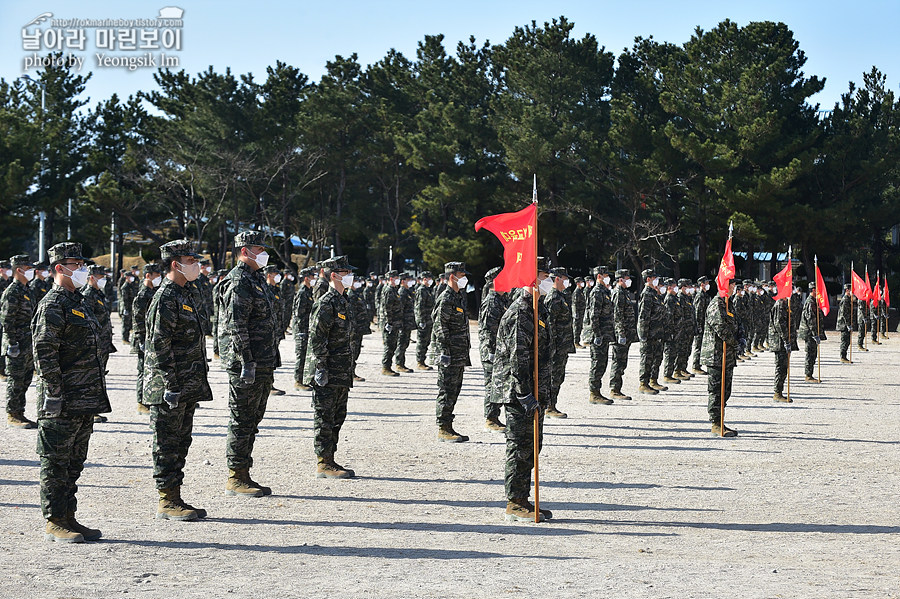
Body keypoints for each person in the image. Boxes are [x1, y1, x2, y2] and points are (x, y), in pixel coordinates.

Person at [33, 242, 111, 542]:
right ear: (59, 268)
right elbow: (44, 351)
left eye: (81, 263)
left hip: (84, 398)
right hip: (61, 400)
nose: (81, 269)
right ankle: (54, 520)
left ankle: (69, 516)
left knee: (74, 462)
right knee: (55, 462)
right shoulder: (52, 305)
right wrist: (53, 391)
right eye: (74, 264)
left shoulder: (78, 302)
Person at [143, 240, 212, 521]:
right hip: (169, 386)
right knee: (167, 443)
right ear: (176, 264)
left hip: (187, 383)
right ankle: (166, 500)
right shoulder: (166, 297)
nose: (197, 264)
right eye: (190, 259)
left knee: (181, 441)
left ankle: (175, 496)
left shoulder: (186, 293)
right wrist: (171, 384)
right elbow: (159, 344)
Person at [492, 256, 554, 522]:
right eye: (543, 276)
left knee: (531, 445)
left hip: (531, 391)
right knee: (520, 446)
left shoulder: (537, 309)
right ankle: (514, 502)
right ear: (532, 278)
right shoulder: (521, 311)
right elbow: (518, 357)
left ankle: (523, 497)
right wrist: (525, 393)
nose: (548, 281)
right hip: (519, 393)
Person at [218, 231, 280, 497]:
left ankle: (244, 472)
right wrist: (247, 362)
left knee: (252, 420)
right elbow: (236, 325)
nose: (264, 253)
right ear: (245, 251)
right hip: (248, 364)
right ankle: (236, 477)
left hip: (262, 361)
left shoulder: (255, 279)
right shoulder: (238, 282)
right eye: (259, 248)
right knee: (242, 420)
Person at [303, 255, 357, 478]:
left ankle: (331, 458)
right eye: (346, 273)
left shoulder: (343, 300)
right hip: (327, 370)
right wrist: (321, 368)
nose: (350, 277)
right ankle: (323, 462)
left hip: (341, 369)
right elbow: (317, 338)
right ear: (334, 275)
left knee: (337, 415)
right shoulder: (326, 303)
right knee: (324, 417)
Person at [432, 262, 472, 442]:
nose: (465, 279)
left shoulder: (458, 297)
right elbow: (440, 327)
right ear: (452, 277)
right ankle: (443, 428)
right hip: (449, 355)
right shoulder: (446, 298)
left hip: (459, 353)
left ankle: (448, 425)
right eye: (461, 276)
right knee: (446, 391)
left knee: (454, 390)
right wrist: (444, 352)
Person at [2, 255, 37, 428]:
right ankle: (12, 414)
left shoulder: (27, 290)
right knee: (15, 380)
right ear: (19, 270)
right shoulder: (12, 292)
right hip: (17, 344)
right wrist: (12, 344)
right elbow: (7, 321)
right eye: (28, 268)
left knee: (25, 380)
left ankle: (20, 412)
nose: (31, 271)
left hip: (28, 343)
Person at [701, 276, 739, 437]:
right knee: (717, 391)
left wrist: (741, 337)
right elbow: (721, 328)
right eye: (732, 284)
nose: (734, 287)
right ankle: (716, 424)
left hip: (727, 355)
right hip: (716, 355)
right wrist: (735, 342)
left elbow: (736, 324)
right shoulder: (716, 304)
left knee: (726, 390)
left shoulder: (728, 303)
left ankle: (721, 421)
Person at [131, 263, 162, 414]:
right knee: (143, 370)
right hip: (144, 339)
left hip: (151, 339)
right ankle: (141, 402)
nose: (159, 278)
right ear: (148, 275)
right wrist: (141, 340)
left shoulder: (154, 292)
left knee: (151, 370)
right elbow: (137, 320)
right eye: (157, 275)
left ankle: (148, 399)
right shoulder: (142, 296)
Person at [478, 267, 506, 431]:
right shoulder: (491, 302)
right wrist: (491, 352)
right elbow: (487, 330)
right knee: (492, 384)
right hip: (491, 351)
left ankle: (494, 416)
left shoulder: (501, 300)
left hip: (499, 349)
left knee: (498, 384)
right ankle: (490, 418)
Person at [544, 267, 574, 418]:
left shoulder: (560, 296)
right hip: (556, 347)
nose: (567, 281)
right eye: (564, 278)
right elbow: (550, 325)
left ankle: (552, 404)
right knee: (553, 377)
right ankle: (549, 406)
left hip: (562, 346)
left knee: (558, 376)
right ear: (557, 279)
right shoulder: (553, 297)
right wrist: (552, 347)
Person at [585, 266, 615, 404]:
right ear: (599, 276)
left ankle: (597, 392)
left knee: (602, 363)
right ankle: (594, 393)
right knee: (597, 364)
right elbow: (594, 315)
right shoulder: (597, 292)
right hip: (599, 335)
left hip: (605, 334)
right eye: (606, 274)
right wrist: (596, 334)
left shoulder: (605, 291)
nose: (608, 276)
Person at [609, 268, 637, 401]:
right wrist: (620, 333)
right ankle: (614, 389)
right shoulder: (618, 293)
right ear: (621, 280)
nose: (629, 280)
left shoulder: (623, 293)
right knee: (618, 362)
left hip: (626, 334)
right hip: (621, 335)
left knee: (622, 362)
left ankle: (617, 388)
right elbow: (617, 314)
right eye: (627, 278)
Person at [638, 269, 667, 393]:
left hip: (657, 333)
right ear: (648, 279)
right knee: (647, 359)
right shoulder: (647, 294)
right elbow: (644, 316)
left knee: (655, 358)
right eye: (654, 277)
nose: (656, 280)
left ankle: (652, 381)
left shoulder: (654, 293)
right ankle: (643, 384)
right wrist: (643, 334)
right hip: (649, 333)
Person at [768, 292, 795, 403]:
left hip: (783, 342)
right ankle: (777, 393)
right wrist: (786, 340)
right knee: (781, 367)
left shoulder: (785, 304)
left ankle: (779, 392)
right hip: (780, 343)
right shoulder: (780, 304)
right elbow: (779, 323)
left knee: (784, 368)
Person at [292, 267, 314, 390]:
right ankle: (298, 381)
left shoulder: (308, 292)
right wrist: (301, 331)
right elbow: (298, 314)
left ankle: (303, 379)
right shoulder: (302, 293)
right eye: (312, 277)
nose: (314, 279)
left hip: (306, 329)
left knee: (305, 355)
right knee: (301, 355)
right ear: (306, 278)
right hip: (302, 330)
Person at [798, 281, 823, 382]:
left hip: (812, 333)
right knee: (810, 353)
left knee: (813, 353)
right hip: (809, 333)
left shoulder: (814, 301)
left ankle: (810, 374)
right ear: (813, 290)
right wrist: (815, 334)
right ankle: (808, 375)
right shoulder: (810, 302)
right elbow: (811, 320)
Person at [379, 270, 402, 377]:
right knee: (389, 345)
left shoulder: (393, 290)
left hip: (395, 323)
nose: (398, 280)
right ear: (391, 279)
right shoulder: (388, 290)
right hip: (390, 324)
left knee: (393, 345)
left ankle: (388, 366)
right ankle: (385, 367)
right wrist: (388, 322)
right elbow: (386, 308)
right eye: (396, 278)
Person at [347, 274, 370, 382]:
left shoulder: (357, 294)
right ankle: (350, 373)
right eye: (354, 281)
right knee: (352, 351)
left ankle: (351, 372)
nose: (357, 282)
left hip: (359, 328)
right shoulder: (350, 295)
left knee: (356, 351)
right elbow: (351, 315)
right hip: (354, 329)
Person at [661, 278, 684, 384]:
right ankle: (667, 375)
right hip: (672, 331)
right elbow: (669, 317)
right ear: (669, 287)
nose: (676, 288)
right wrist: (670, 332)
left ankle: (671, 373)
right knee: (670, 353)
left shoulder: (674, 298)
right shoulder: (669, 299)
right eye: (674, 286)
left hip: (677, 331)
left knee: (674, 352)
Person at [394, 273, 416, 373]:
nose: (410, 282)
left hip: (407, 323)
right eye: (408, 280)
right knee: (401, 344)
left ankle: (401, 363)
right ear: (403, 281)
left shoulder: (407, 292)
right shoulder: (402, 292)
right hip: (403, 323)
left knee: (405, 343)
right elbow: (400, 309)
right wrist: (400, 323)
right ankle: (399, 364)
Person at [414, 272, 435, 370]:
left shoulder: (428, 290)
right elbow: (419, 306)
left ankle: (422, 360)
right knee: (422, 341)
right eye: (429, 278)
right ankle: (419, 362)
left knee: (426, 341)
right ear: (424, 279)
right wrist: (421, 320)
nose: (431, 280)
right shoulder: (421, 290)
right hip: (424, 320)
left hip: (429, 319)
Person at [691, 276, 711, 374]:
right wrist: (698, 326)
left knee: (702, 346)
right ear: (702, 284)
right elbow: (698, 313)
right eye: (706, 283)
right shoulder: (699, 296)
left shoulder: (706, 295)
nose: (708, 285)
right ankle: (695, 366)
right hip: (700, 325)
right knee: (698, 346)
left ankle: (698, 365)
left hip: (705, 324)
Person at [836, 284, 853, 363]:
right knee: (845, 340)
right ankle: (842, 356)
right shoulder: (845, 299)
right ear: (847, 290)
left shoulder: (849, 299)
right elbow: (844, 313)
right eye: (851, 289)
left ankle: (844, 356)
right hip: (844, 324)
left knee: (847, 340)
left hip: (846, 324)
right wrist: (848, 324)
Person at [571, 277, 586, 349]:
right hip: (578, 313)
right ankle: (575, 342)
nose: (582, 283)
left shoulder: (580, 291)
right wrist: (575, 313)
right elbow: (574, 303)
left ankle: (577, 341)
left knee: (579, 327)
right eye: (581, 282)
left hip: (581, 312)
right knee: (576, 328)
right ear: (577, 283)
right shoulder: (576, 292)